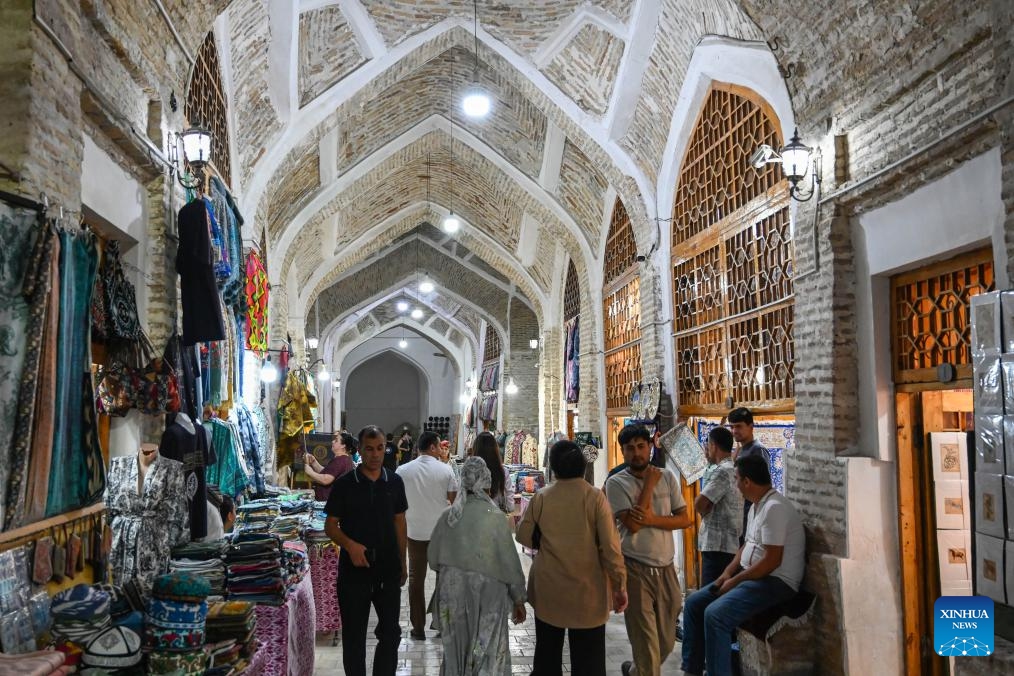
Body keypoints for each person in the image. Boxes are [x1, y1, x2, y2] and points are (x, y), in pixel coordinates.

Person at [681, 454, 805, 676]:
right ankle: (692, 669)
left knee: (715, 615)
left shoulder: (774, 507)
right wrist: (725, 575)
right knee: (694, 603)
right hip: (752, 576)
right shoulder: (758, 506)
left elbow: (771, 561)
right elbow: (746, 547)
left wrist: (735, 580)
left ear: (747, 481)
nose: (735, 485)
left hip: (775, 581)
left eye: (736, 479)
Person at [516, 440, 628, 676]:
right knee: (589, 660)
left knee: (547, 655)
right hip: (589, 589)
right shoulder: (595, 497)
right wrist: (619, 585)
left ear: (554, 467)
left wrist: (544, 541)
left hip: (549, 588)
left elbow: (523, 535)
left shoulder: (543, 497)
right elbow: (610, 547)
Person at [604, 425, 691, 676]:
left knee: (665, 642)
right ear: (622, 452)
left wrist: (651, 519)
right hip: (634, 570)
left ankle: (634, 671)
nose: (637, 453)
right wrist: (649, 485)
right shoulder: (616, 483)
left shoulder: (668, 477)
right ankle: (641, 669)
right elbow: (632, 525)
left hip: (666, 569)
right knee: (646, 647)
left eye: (641, 446)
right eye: (630, 448)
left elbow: (684, 519)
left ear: (650, 447)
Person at [428, 457, 527, 675]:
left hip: (452, 590)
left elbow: (433, 558)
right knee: (487, 649)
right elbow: (510, 563)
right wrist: (519, 599)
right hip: (489, 592)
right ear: (487, 482)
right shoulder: (496, 518)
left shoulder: (449, 516)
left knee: (455, 650)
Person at [324, 426, 408, 676]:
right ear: (359, 450)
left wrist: (402, 562)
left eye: (380, 448)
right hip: (354, 574)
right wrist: (350, 545)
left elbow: (400, 522)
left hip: (387, 570)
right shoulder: (345, 484)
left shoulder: (394, 481)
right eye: (369, 449)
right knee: (354, 637)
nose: (375, 454)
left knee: (391, 633)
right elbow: (330, 525)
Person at [396, 431, 458, 640]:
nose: (441, 450)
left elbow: (397, 505)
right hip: (441, 534)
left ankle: (418, 627)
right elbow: (453, 502)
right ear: (432, 447)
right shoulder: (446, 470)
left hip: (414, 533)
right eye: (439, 446)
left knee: (416, 580)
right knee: (443, 578)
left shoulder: (402, 470)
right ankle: (440, 623)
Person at [695, 427, 743, 588]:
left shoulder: (723, 471)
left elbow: (699, 504)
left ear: (713, 445)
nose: (707, 449)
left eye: (708, 445)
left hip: (718, 545)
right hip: (727, 545)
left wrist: (704, 509)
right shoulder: (733, 468)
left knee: (709, 594)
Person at [728, 407, 770, 541]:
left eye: (739, 426)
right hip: (739, 517)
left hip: (750, 515)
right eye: (732, 427)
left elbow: (762, 487)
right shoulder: (739, 451)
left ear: (751, 427)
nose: (734, 431)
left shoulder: (757, 450)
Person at [469, 431, 514, 512]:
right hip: (496, 518)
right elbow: (510, 505)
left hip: (474, 517)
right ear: (495, 450)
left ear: (475, 450)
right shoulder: (502, 471)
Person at [304, 431, 356, 501]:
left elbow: (326, 479)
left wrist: (310, 472)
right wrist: (314, 462)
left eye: (336, 440)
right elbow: (327, 473)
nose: (332, 441)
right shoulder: (344, 459)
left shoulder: (341, 460)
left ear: (343, 445)